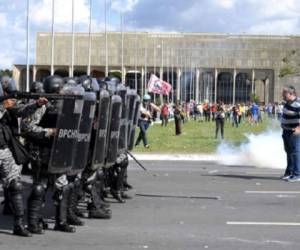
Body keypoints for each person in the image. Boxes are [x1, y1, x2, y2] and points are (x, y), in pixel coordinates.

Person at [0, 77, 48, 237]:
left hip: (5, 149)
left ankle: (19, 224)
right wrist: (2, 108)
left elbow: (20, 111)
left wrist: (37, 104)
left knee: (15, 185)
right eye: (7, 94)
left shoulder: (8, 104)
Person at [281, 86, 300, 182]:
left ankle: (297, 174)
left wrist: (298, 129)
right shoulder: (286, 103)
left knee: (295, 152)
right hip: (286, 131)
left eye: (284, 93)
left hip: (294, 131)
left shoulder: (298, 103)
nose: (282, 95)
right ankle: (289, 172)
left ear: (291, 94)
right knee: (289, 152)